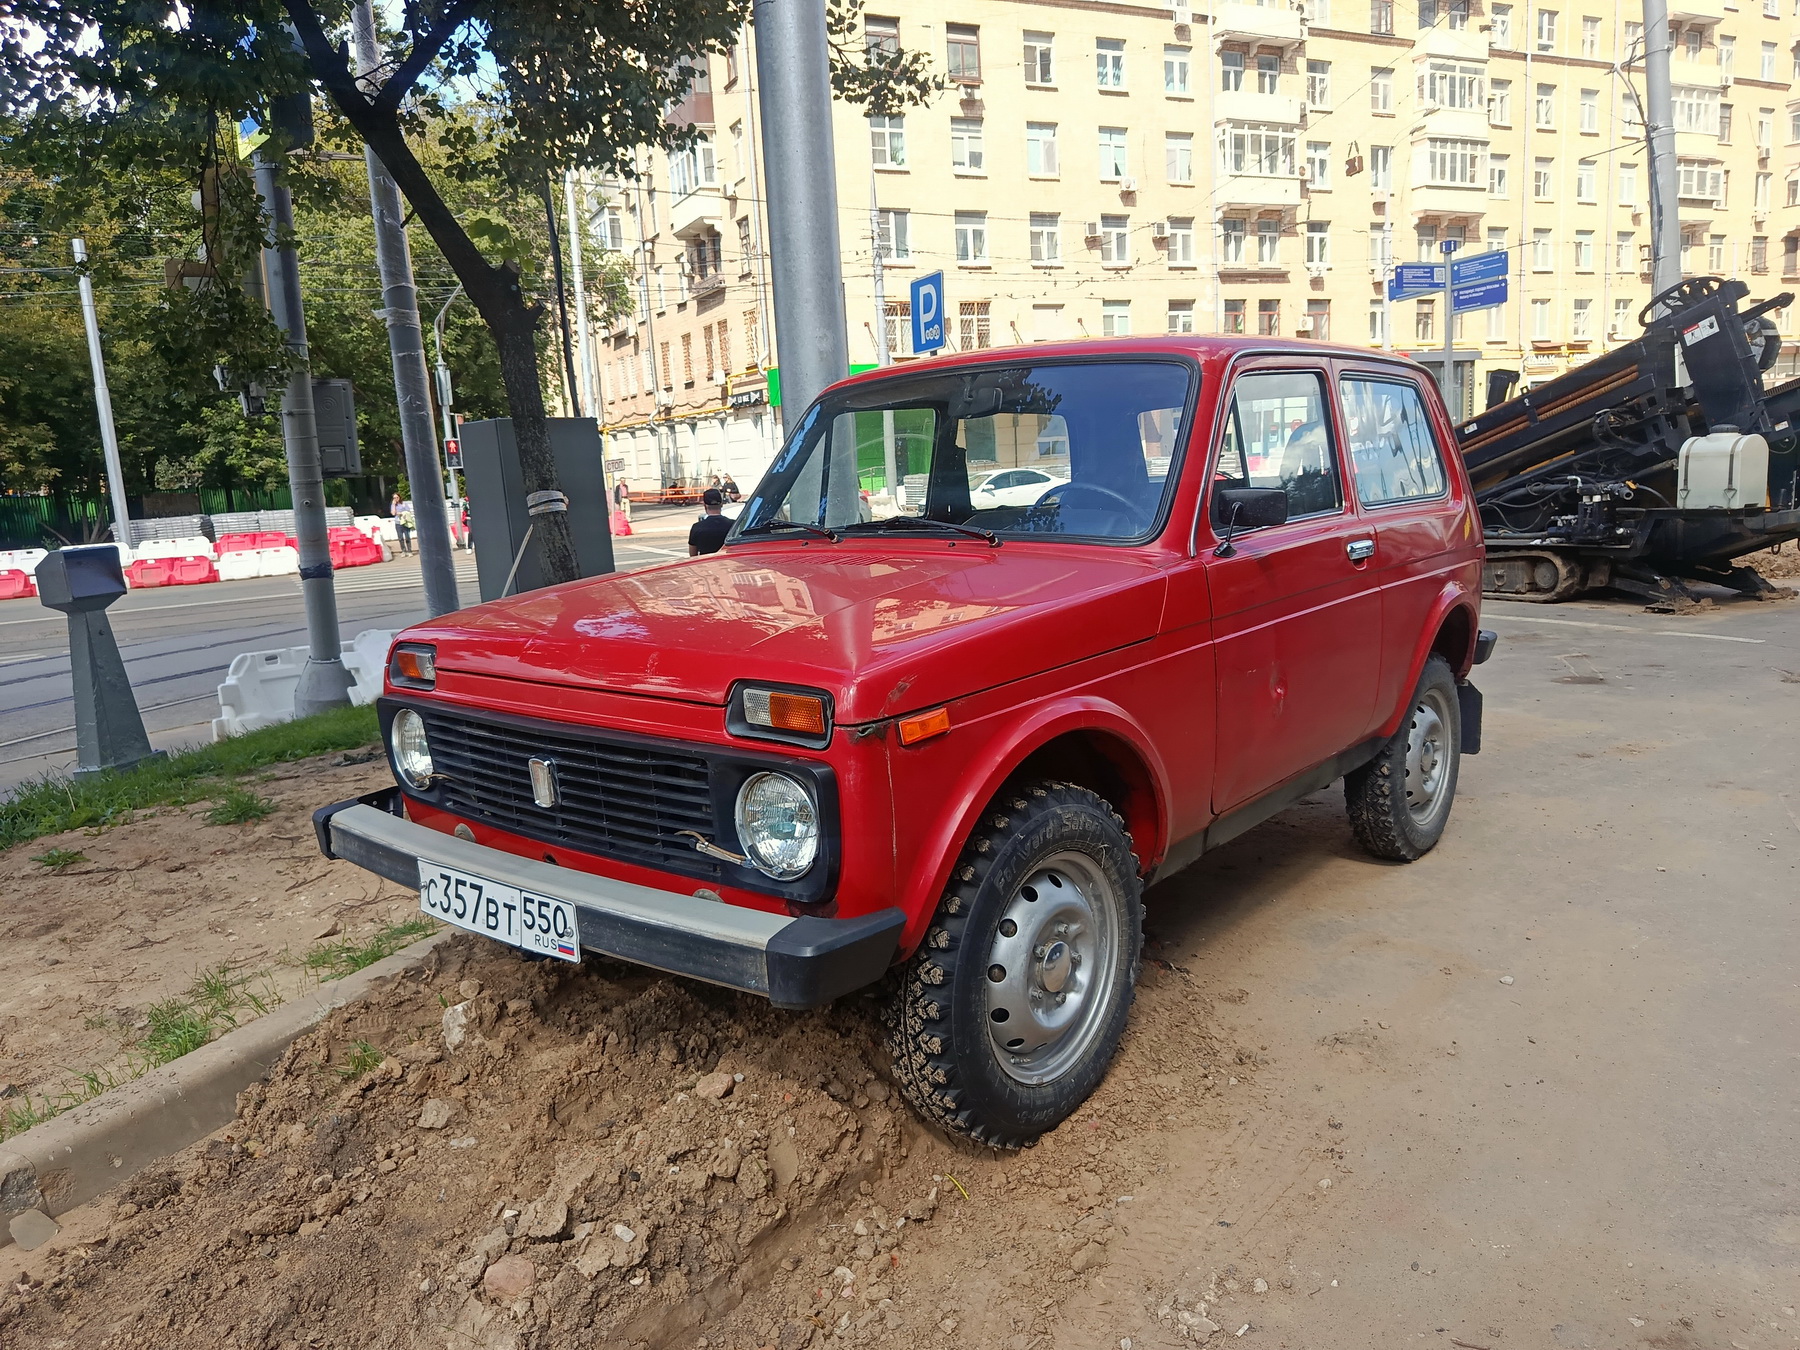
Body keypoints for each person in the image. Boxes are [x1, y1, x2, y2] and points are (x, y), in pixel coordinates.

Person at [688, 488, 732, 556]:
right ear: (721, 504)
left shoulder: (697, 528)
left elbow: (693, 555)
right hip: (728, 563)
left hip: (705, 564)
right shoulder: (733, 525)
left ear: (705, 506)